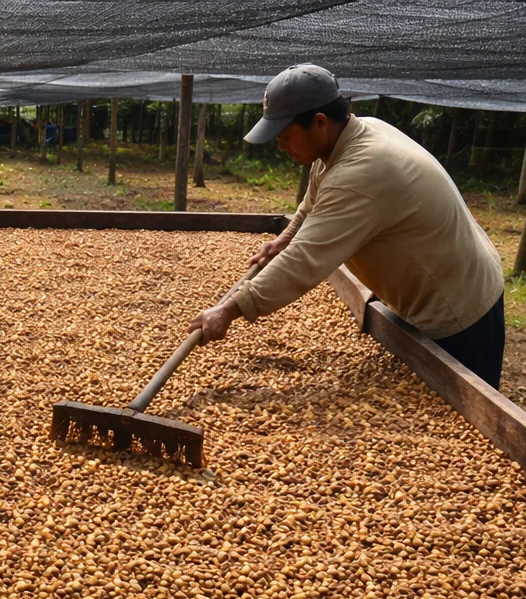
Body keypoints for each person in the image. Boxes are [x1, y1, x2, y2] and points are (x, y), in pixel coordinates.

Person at [189, 64, 507, 389]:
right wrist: (282, 240)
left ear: (320, 122)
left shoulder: (360, 172)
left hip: (460, 309)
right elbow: (311, 205)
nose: (281, 146)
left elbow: (305, 261)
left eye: (285, 136)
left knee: (464, 414)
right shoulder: (350, 138)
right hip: (436, 286)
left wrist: (229, 310)